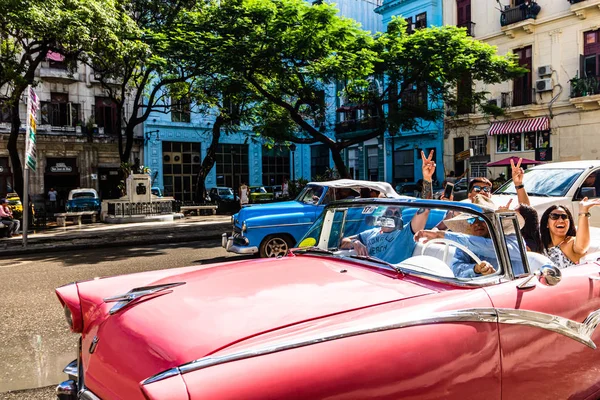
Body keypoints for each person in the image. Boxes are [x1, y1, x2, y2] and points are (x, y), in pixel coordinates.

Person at [339, 150, 435, 263]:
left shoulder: (405, 232)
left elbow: (425, 209)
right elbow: (342, 242)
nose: (393, 216)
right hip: (370, 274)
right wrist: (355, 243)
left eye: (397, 213)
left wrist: (427, 179)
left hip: (392, 275)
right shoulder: (370, 233)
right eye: (389, 213)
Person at [415, 195, 525, 278]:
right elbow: (456, 269)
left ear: (493, 222)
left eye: (482, 219)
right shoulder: (466, 241)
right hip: (483, 292)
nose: (477, 223)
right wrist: (475, 269)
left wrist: (442, 235)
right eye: (472, 219)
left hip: (513, 290)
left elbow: (492, 247)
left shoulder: (511, 237)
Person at [540, 198, 600, 268]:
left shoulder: (569, 243)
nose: (561, 220)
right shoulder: (541, 246)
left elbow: (581, 247)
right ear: (547, 224)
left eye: (564, 217)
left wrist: (583, 211)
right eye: (554, 216)